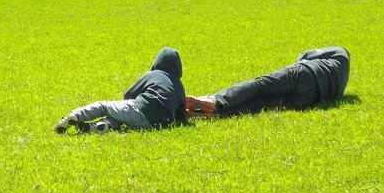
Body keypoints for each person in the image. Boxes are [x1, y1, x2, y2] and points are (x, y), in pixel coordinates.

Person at [186, 46, 350, 118]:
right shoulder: (341, 78)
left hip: (305, 74)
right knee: (262, 104)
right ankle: (217, 114)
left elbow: (305, 56)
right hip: (311, 98)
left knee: (260, 85)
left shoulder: (339, 51)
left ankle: (215, 101)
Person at [55, 47, 186, 134]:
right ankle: (96, 127)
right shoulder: (180, 86)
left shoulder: (153, 74)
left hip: (141, 109)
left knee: (104, 106)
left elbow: (129, 95)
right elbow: (181, 116)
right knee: (120, 114)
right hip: (158, 125)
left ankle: (75, 115)